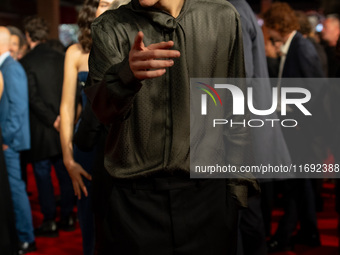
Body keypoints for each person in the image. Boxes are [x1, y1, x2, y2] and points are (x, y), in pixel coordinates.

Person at [85, 0, 256, 254]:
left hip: (208, 201)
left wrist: (237, 190)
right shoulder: (109, 26)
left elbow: (236, 108)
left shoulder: (222, 16)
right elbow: (102, 111)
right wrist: (126, 75)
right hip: (133, 206)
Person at [263, 3, 325, 252]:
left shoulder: (301, 47)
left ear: (277, 26)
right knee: (301, 184)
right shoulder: (293, 47)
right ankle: (310, 233)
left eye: (268, 28)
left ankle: (285, 235)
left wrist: (299, 121)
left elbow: (318, 89)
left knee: (294, 184)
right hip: (295, 127)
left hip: (300, 130)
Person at [60, 0, 116, 253]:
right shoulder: (75, 52)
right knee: (90, 227)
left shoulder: (130, 47)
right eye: (105, 3)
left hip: (120, 148)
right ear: (93, 9)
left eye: (116, 2)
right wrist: (68, 160)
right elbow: (67, 108)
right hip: (87, 146)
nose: (111, 7)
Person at [20, 16, 75, 237]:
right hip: (63, 125)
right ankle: (69, 216)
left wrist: (51, 119)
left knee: (43, 177)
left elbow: (32, 97)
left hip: (41, 130)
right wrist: (61, 118)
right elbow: (70, 91)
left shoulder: (26, 62)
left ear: (27, 36)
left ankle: (50, 221)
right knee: (65, 174)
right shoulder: (61, 58)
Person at [0, 27, 36, 254]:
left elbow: (18, 108)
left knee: (15, 189)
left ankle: (25, 237)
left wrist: (6, 139)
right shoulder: (7, 66)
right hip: (8, 139)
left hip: (9, 141)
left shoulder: (10, 68)